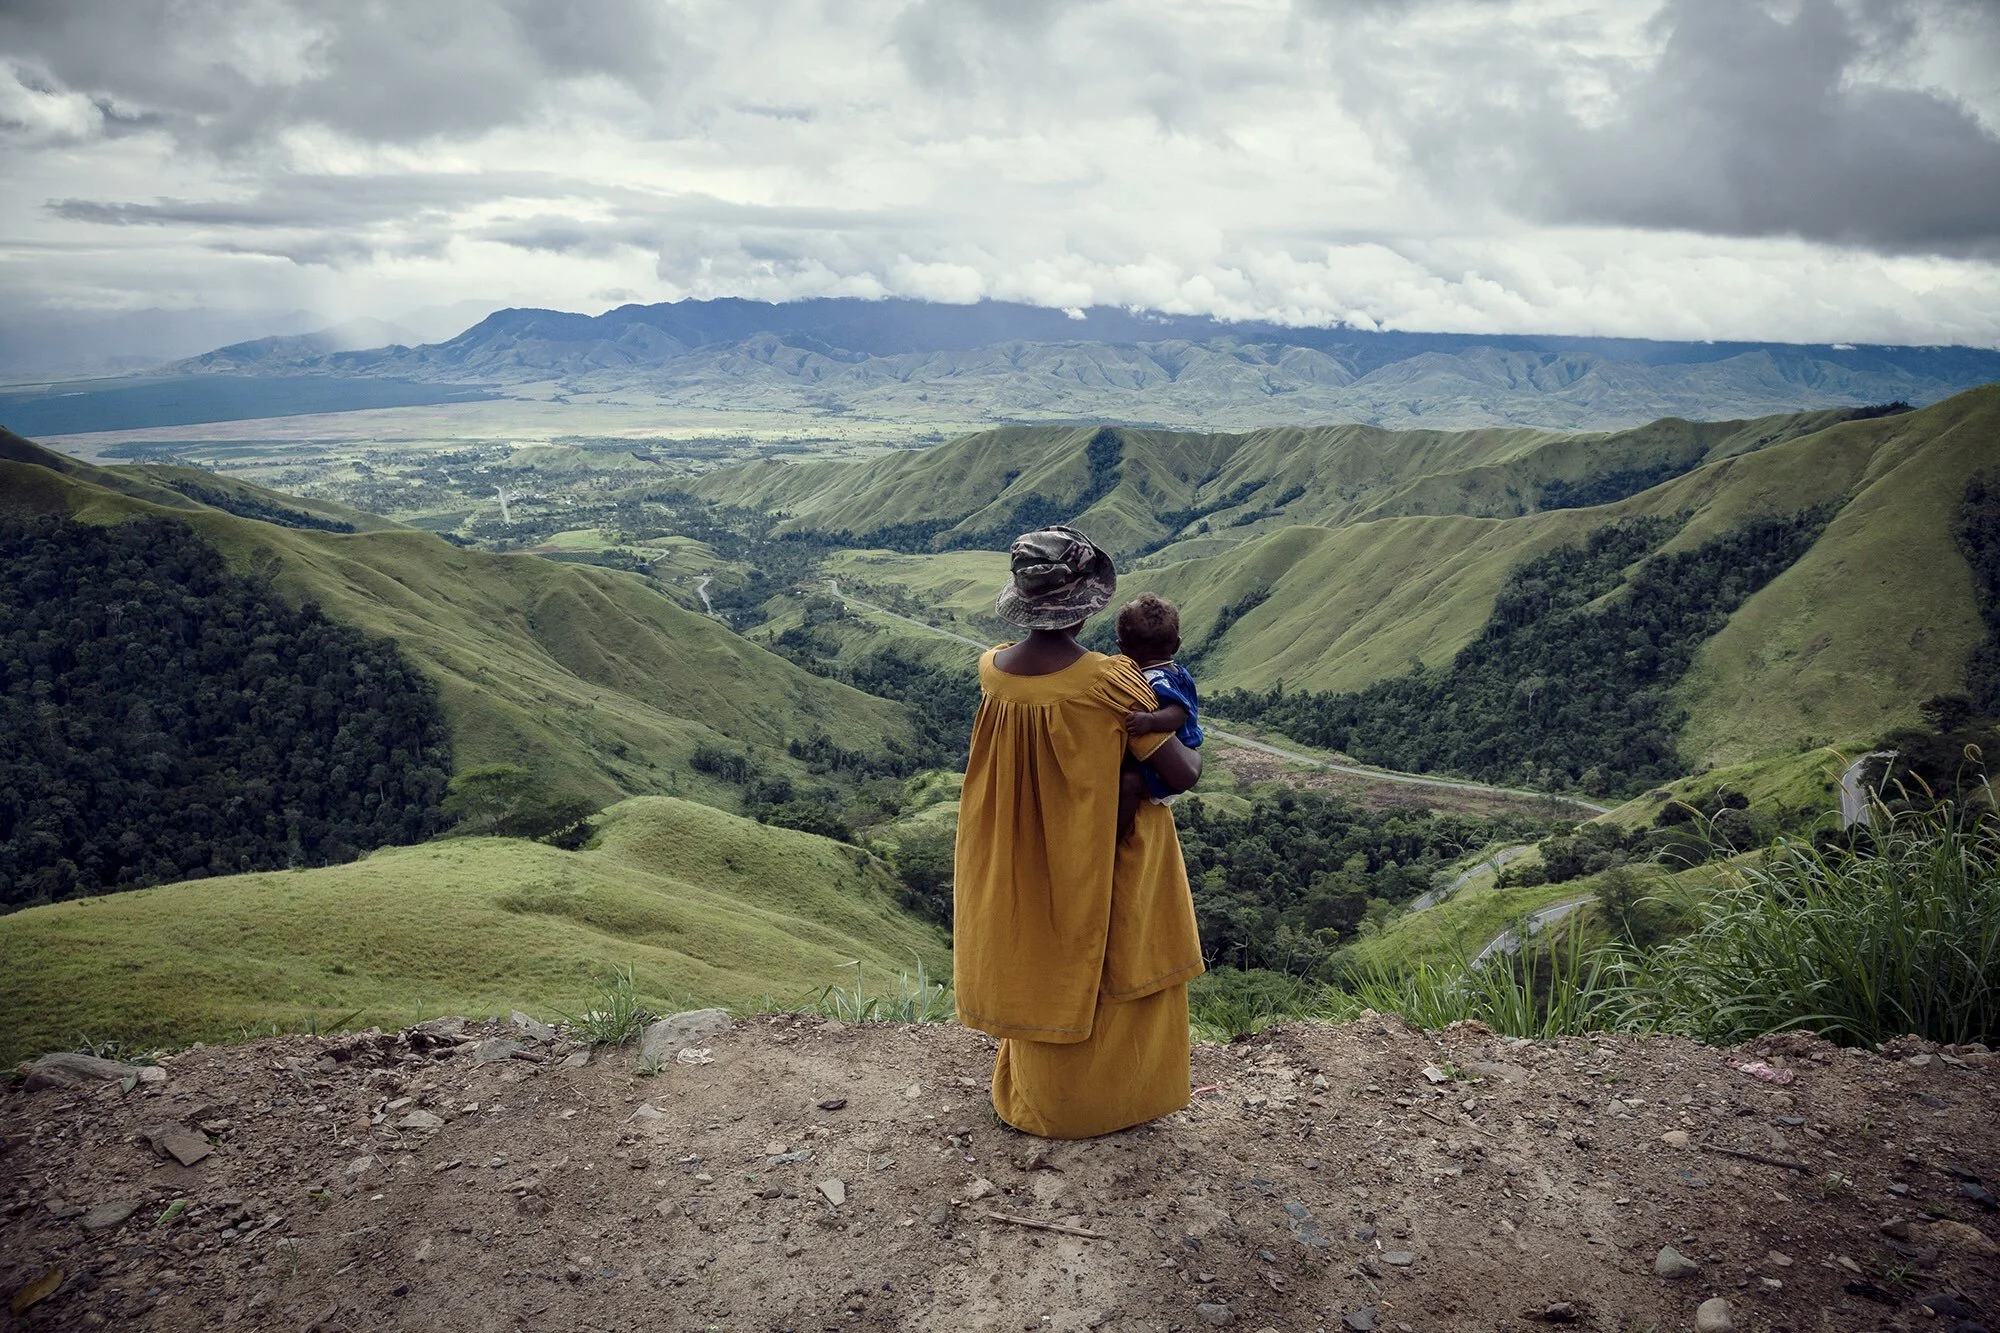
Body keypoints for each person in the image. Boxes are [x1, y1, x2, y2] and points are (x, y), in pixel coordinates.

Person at [953, 525, 1206, 1139]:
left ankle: (1041, 1101)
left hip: (1025, 851)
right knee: (1113, 964)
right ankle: (1111, 1104)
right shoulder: (1109, 681)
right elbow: (1182, 771)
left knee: (1044, 958)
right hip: (1109, 849)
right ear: (1088, 603)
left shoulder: (993, 671)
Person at [1113, 593, 1203, 843]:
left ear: (1122, 648)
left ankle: (1112, 838)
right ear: (1177, 645)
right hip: (1179, 755)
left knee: (1129, 783)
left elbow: (1178, 712)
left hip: (1167, 765)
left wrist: (1150, 722)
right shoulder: (1175, 671)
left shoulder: (1154, 679)